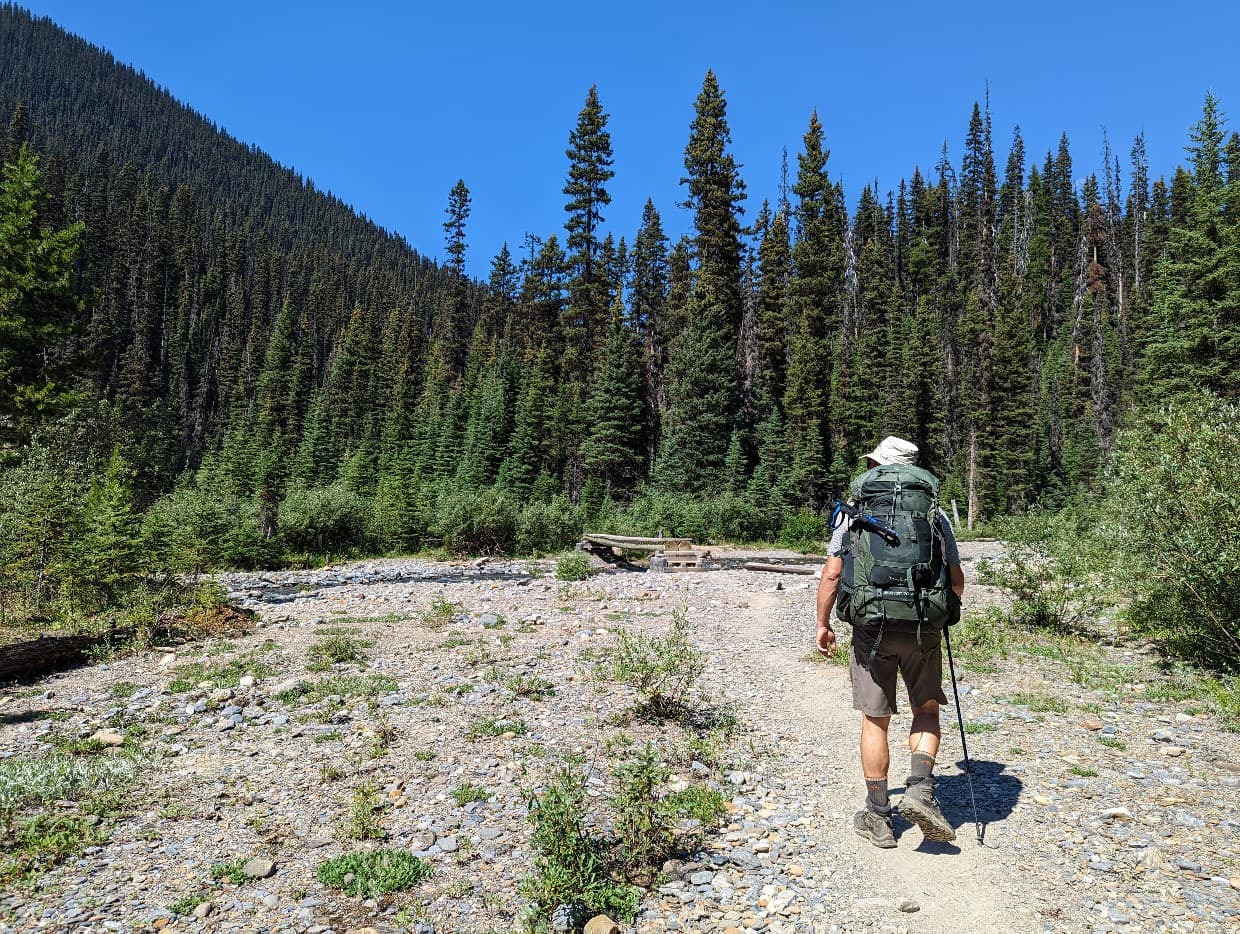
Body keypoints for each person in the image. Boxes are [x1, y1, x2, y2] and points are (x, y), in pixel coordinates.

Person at [815, 436, 965, 848]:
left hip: (871, 627)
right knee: (926, 710)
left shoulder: (856, 515)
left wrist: (823, 623)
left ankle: (879, 817)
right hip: (922, 627)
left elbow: (831, 575)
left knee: (874, 719)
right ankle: (920, 790)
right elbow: (956, 582)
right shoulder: (935, 516)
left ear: (878, 469)